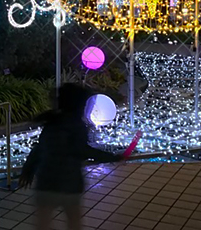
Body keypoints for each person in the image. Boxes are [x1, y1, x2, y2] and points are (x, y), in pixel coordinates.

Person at [19, 84, 123, 230]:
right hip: (69, 185)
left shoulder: (51, 123)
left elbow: (38, 149)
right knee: (74, 221)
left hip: (45, 183)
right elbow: (83, 150)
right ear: (79, 105)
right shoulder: (77, 126)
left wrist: (27, 170)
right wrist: (112, 157)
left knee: (43, 224)